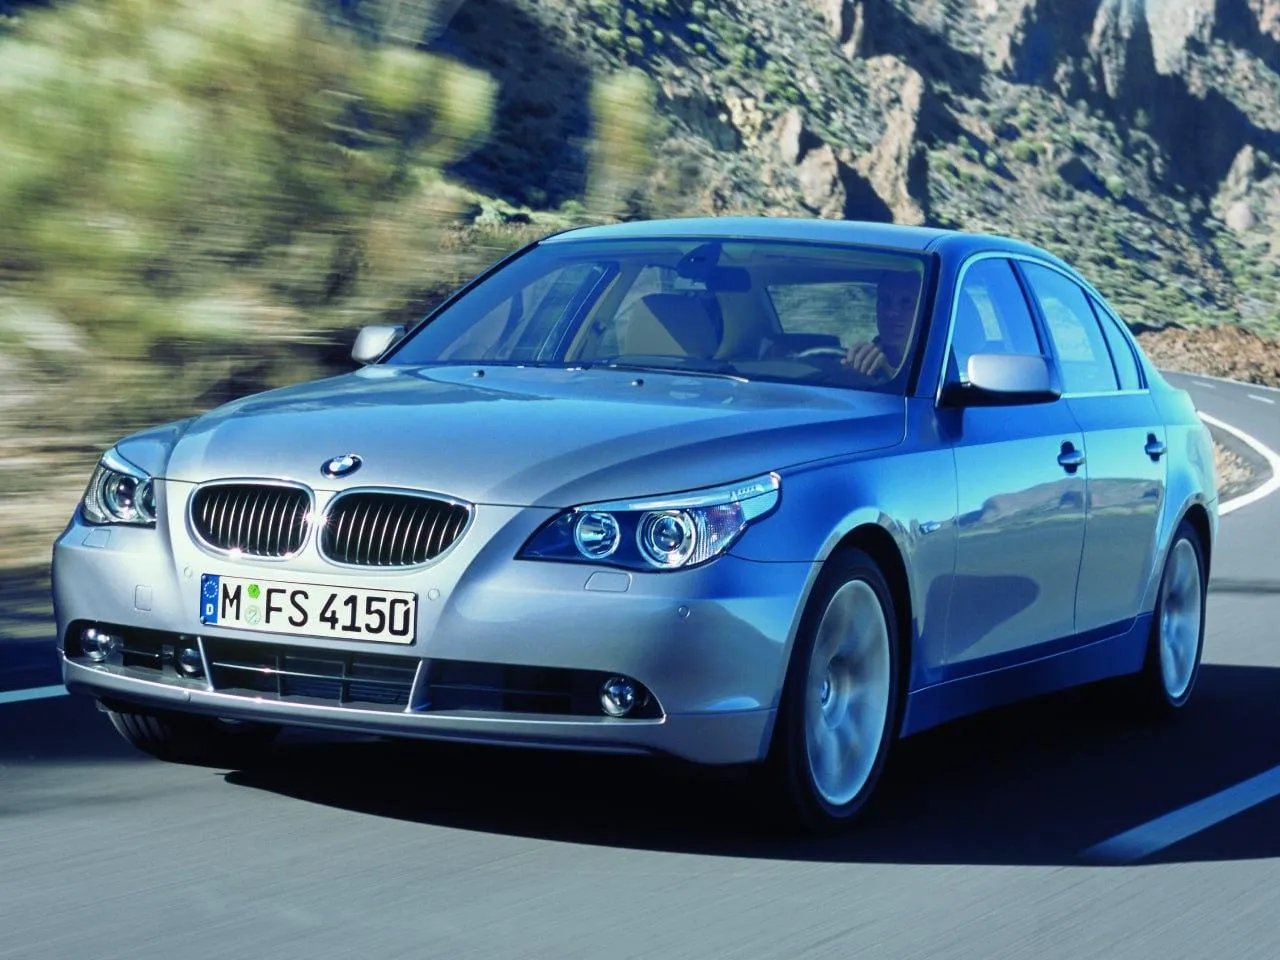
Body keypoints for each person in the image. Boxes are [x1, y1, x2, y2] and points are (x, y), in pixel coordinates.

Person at [842, 270, 922, 378]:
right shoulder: (858, 361)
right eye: (885, 300)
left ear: (923, 309)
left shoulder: (939, 367)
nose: (891, 312)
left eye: (906, 302)